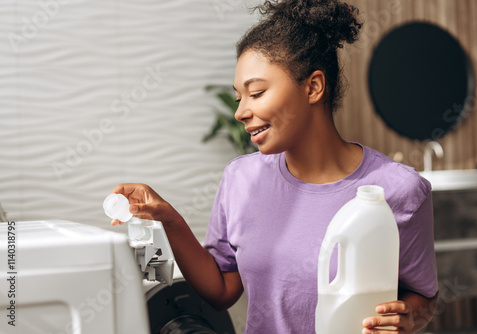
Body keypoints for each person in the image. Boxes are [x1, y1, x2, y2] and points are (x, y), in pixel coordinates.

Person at [110, 0, 439, 333]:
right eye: (239, 97)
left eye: (256, 93)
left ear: (313, 87)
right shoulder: (241, 179)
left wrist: (406, 318)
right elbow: (221, 291)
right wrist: (169, 217)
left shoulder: (398, 189)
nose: (240, 112)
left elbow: (424, 298)